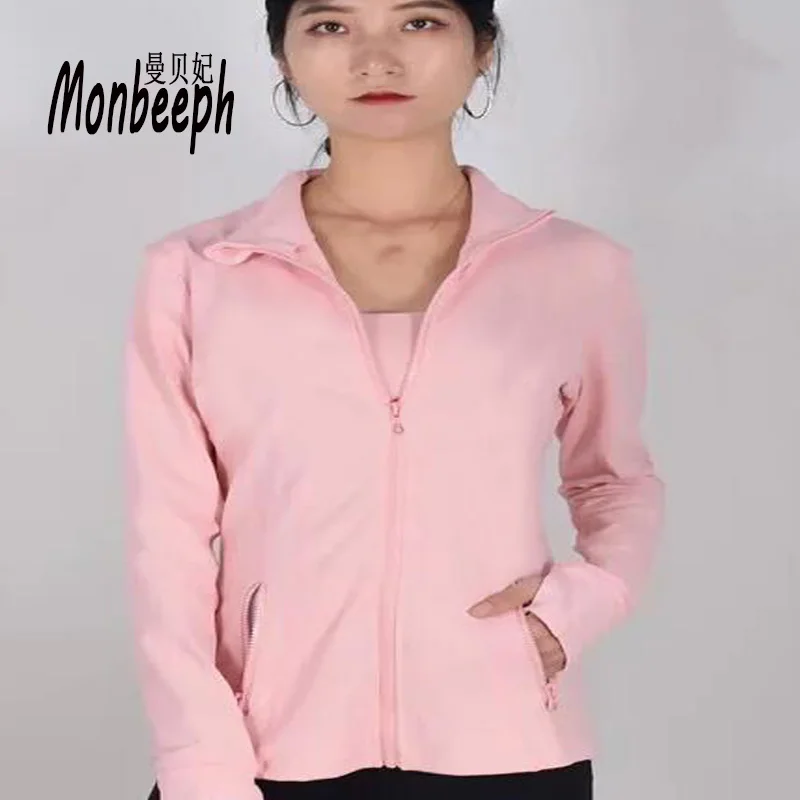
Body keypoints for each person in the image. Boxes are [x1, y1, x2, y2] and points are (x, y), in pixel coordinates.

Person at [124, 1, 666, 799]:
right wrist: (201, 764)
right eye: (330, 25)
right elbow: (166, 535)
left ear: (483, 48)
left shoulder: (577, 268)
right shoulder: (198, 271)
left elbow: (614, 479)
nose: (375, 57)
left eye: (418, 22)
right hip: (263, 753)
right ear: (283, 57)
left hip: (506, 748)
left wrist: (578, 606)